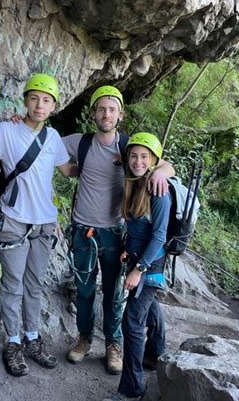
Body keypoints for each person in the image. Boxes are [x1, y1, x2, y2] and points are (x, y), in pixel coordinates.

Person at [62, 87, 174, 374]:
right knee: (85, 291)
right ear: (93, 114)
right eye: (101, 109)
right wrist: (73, 170)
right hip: (83, 230)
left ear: (120, 115)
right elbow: (44, 144)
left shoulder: (127, 146)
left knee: (113, 293)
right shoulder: (81, 143)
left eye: (112, 109)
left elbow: (160, 162)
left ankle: (113, 344)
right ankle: (84, 338)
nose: (106, 114)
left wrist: (161, 172)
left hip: (114, 233)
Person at [0, 74, 71, 377]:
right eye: (34, 98)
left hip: (45, 223)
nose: (39, 104)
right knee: (13, 285)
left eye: (46, 100)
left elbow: (67, 170)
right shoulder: (6, 131)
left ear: (53, 107)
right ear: (24, 101)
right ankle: (12, 342)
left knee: (34, 285)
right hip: (13, 220)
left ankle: (32, 339)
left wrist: (113, 163)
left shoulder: (53, 138)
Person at [99, 132, 170, 401]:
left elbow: (159, 237)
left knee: (131, 322)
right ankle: (155, 354)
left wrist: (138, 271)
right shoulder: (133, 183)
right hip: (138, 257)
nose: (138, 161)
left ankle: (130, 389)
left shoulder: (157, 190)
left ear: (154, 160)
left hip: (150, 264)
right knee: (149, 306)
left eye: (144, 156)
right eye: (133, 155)